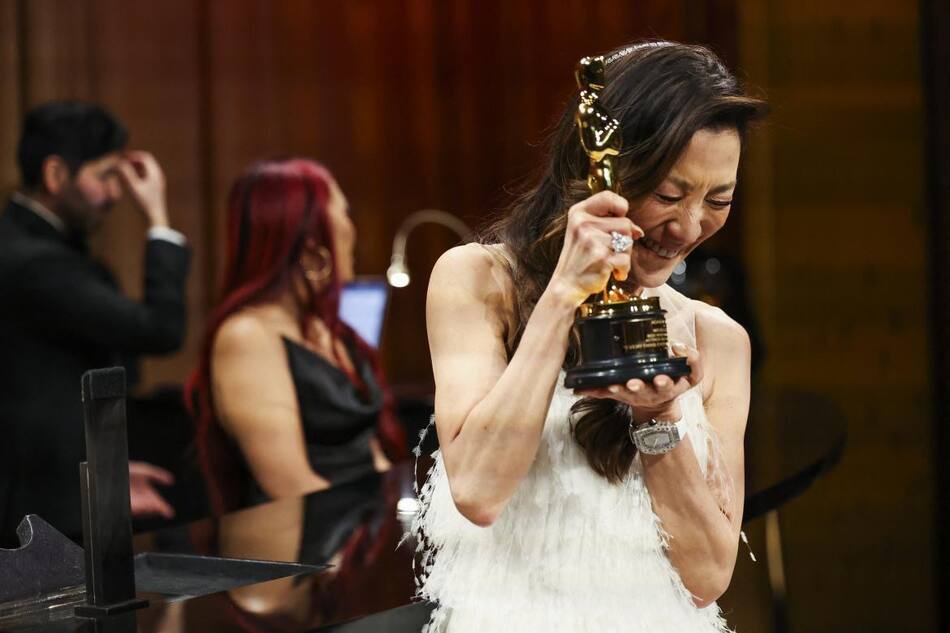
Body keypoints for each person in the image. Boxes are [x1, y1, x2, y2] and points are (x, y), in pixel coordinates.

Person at [413, 41, 768, 632]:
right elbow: (476, 489)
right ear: (599, 174)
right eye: (668, 194)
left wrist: (659, 420)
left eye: (719, 200)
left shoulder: (718, 337)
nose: (688, 226)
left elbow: (708, 577)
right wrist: (561, 298)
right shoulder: (477, 281)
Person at [0, 101, 190, 545]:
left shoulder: (34, 246)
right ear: (55, 174)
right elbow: (161, 329)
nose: (116, 194)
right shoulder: (34, 261)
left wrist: (105, 470)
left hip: (54, 490)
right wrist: (158, 220)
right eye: (106, 175)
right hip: (38, 513)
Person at [187, 158, 406, 514]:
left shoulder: (328, 328)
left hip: (358, 531)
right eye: (344, 213)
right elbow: (288, 484)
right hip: (304, 548)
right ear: (309, 240)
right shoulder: (246, 336)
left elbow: (372, 455)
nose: (353, 227)